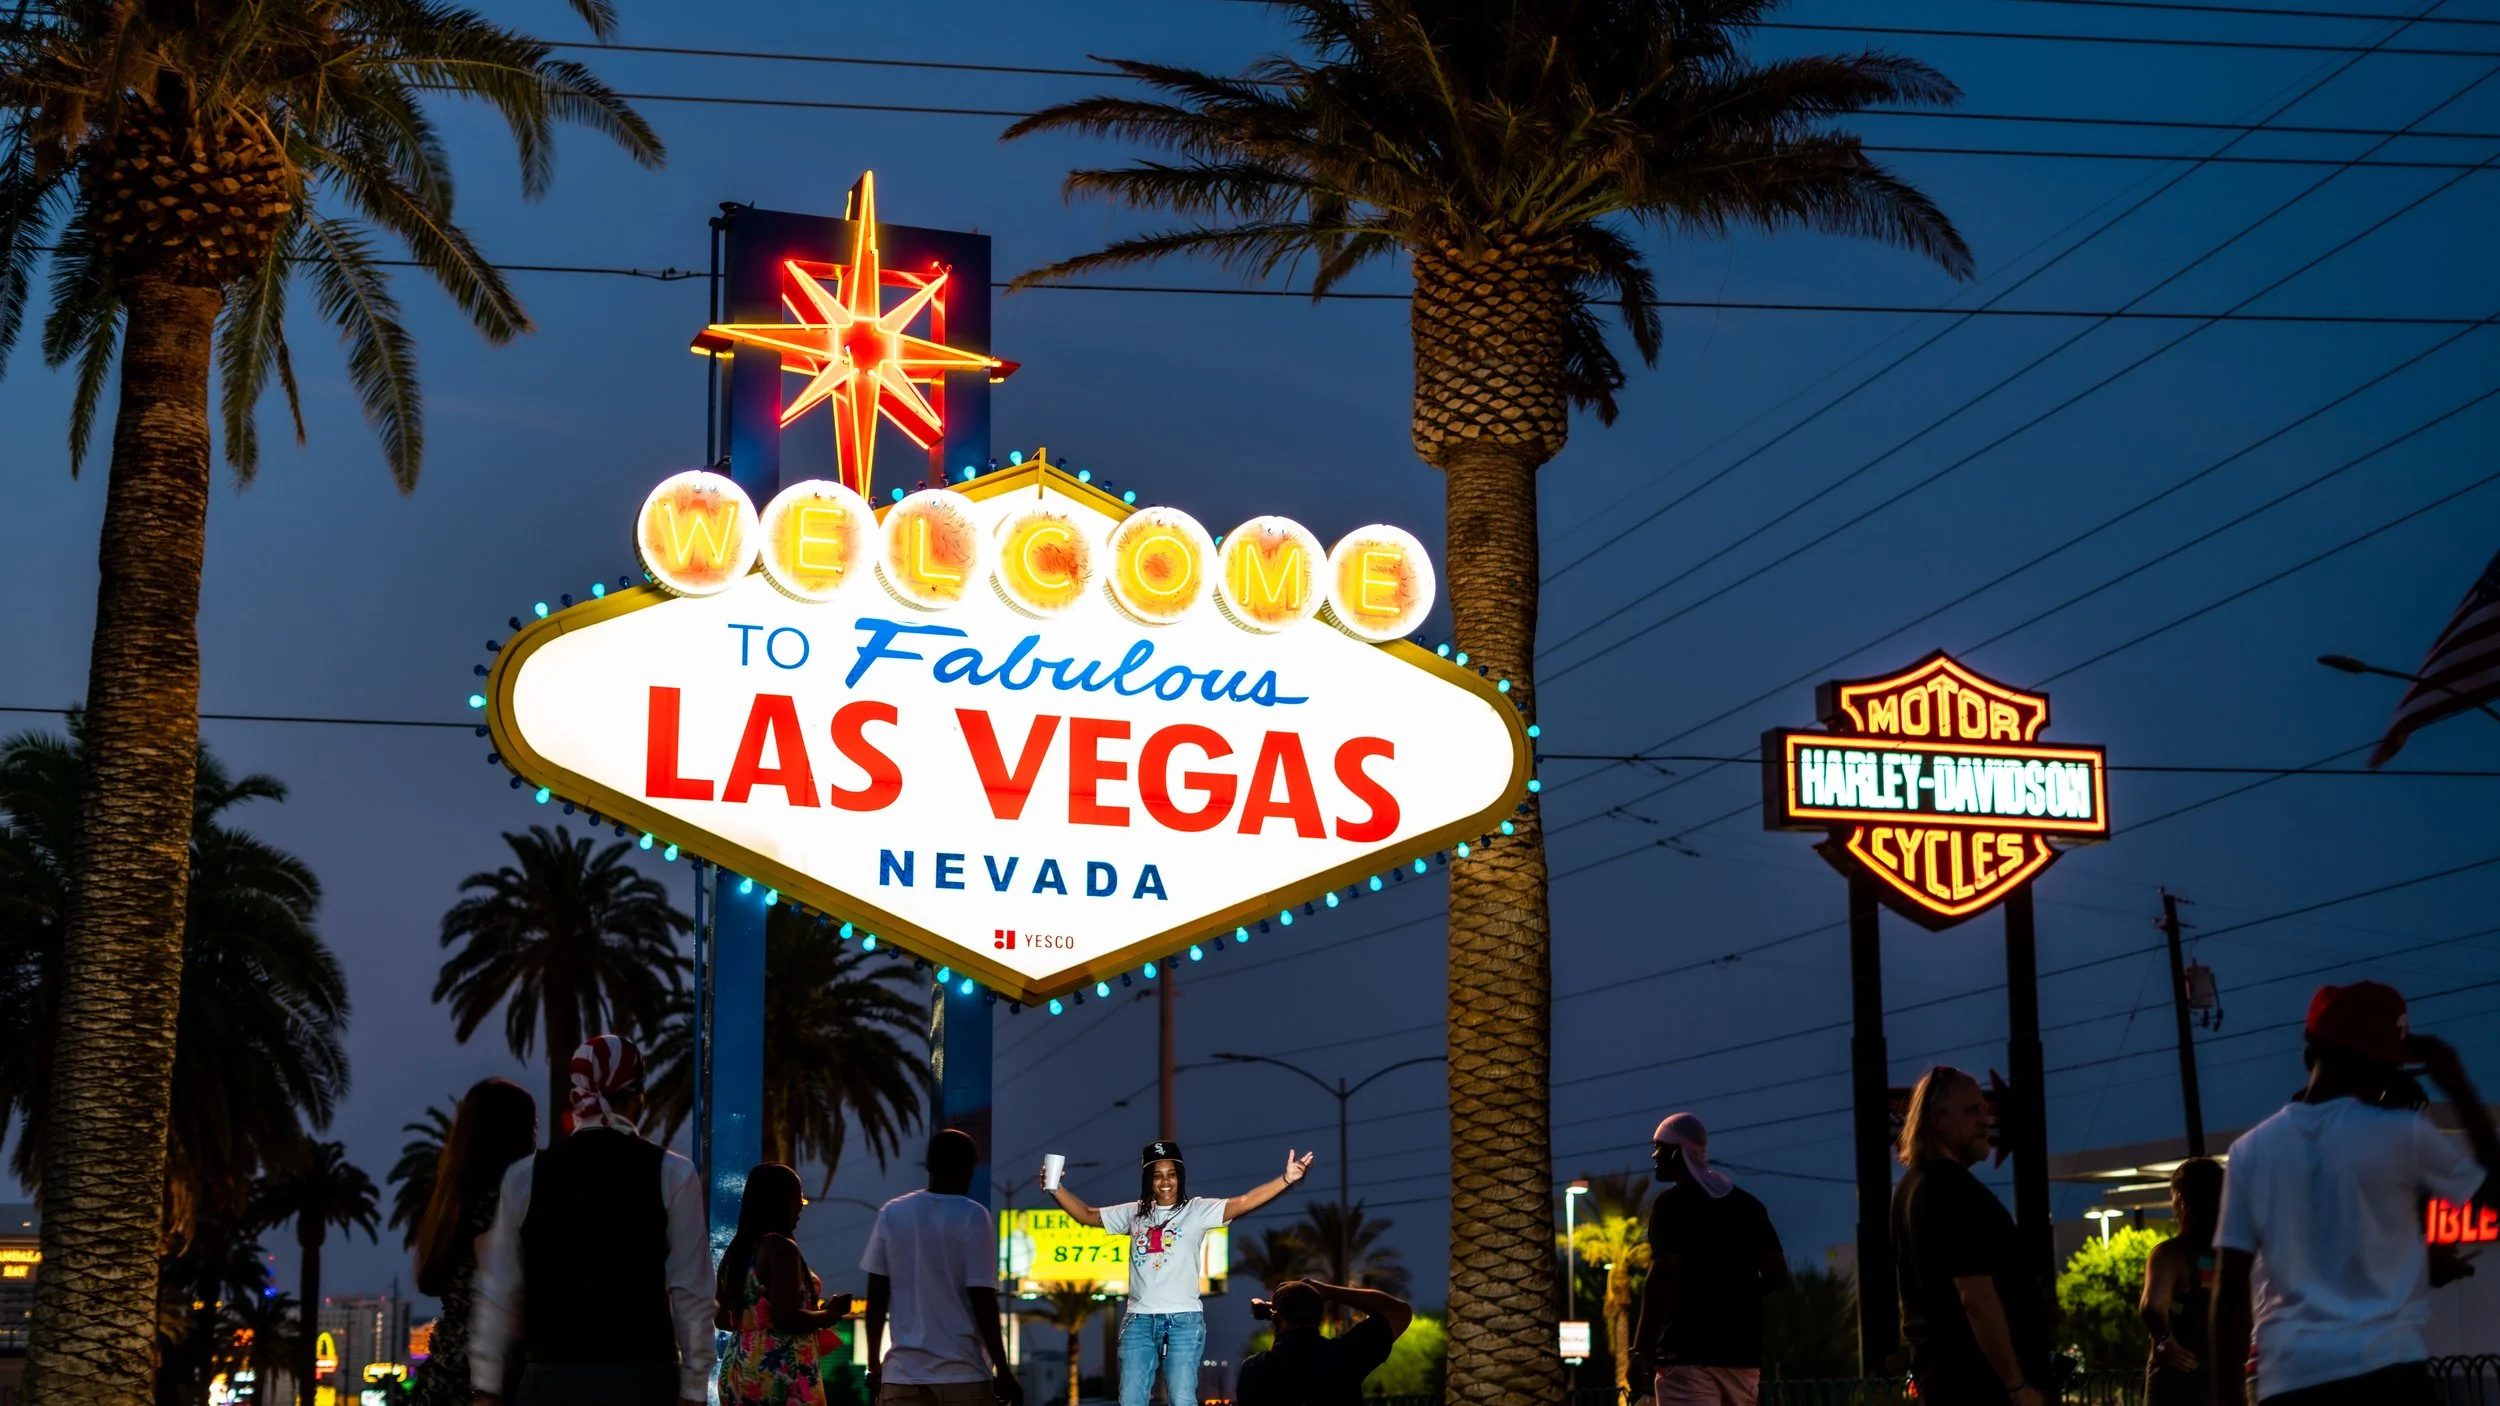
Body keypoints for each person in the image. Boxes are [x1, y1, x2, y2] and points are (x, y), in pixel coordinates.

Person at [2209, 983, 2500, 1406]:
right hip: (2388, 1373)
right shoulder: (2401, 1133)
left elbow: (2230, 1286)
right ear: (2387, 1063)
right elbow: (2495, 1198)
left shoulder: (2251, 1149)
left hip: (2289, 1379)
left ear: (2310, 1054)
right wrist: (2456, 1083)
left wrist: (2226, 1398)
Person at [469, 1035, 715, 1406]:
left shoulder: (525, 1177)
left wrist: (485, 1388)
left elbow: (498, 1293)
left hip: (548, 1383)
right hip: (643, 1380)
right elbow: (691, 1293)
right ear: (638, 1098)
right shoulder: (674, 1173)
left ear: (575, 1099)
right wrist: (695, 1388)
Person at [1041, 1140, 1314, 1406]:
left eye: (1171, 1173)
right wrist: (1055, 1188)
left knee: (1182, 1399)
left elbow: (1244, 1201)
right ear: (1149, 1179)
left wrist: (1286, 1179)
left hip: (1183, 1322)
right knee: (1130, 1400)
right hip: (1138, 1322)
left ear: (1180, 1176)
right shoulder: (1133, 1214)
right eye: (1157, 1175)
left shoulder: (1197, 1210)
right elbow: (1087, 1216)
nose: (1165, 1181)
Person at [1890, 1066, 2049, 1406]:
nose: (1986, 1119)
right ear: (1937, 1120)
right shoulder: (1953, 1189)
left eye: (1985, 1109)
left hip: (1944, 1381)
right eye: (1973, 1110)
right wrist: (2017, 1386)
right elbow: (1976, 1297)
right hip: (1979, 1386)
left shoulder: (1909, 1187)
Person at [1628, 1113, 1790, 1406]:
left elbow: (1660, 1279)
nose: (1653, 1155)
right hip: (1742, 1358)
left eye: (1659, 1147)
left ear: (1677, 1152)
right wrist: (1735, 1292)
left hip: (1687, 1355)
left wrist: (1641, 1349)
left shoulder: (1670, 1206)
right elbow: (1778, 1274)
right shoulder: (1748, 1206)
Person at [863, 1129, 1023, 1406]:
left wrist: (874, 1363)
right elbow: (982, 1299)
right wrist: (1003, 1370)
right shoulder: (973, 1216)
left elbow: (876, 1296)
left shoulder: (892, 1213)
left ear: (929, 1165)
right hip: (963, 1376)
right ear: (968, 1166)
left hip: (902, 1378)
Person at [412, 1078, 538, 1406]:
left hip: (443, 1379)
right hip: (482, 1387)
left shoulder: (450, 1208)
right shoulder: (496, 1210)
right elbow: (508, 1306)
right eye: (533, 1128)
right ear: (513, 1135)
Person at [718, 1163, 856, 1405]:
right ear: (779, 1201)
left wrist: (756, 1320)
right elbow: (786, 1318)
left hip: (739, 1368)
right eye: (797, 1199)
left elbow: (720, 1318)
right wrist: (829, 1314)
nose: (801, 1208)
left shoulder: (736, 1252)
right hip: (780, 1372)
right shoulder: (781, 1248)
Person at [1233, 1279, 1411, 1406]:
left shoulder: (1253, 1369)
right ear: (1319, 1317)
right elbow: (1399, 1311)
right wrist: (1329, 1291)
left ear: (1276, 1320)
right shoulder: (1345, 1355)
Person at [2137, 1157, 2222, 1406]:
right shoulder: (2235, 1256)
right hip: (2224, 1377)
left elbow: (2152, 1306)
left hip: (2177, 1381)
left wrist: (2164, 1342)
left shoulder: (2170, 1255)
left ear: (2182, 1200)